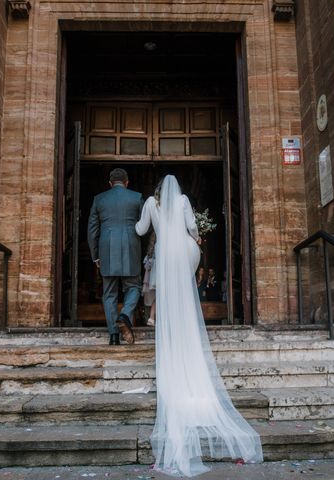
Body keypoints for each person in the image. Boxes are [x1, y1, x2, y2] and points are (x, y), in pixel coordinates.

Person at [135, 175, 263, 477]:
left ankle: (167, 331)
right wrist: (196, 237)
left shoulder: (151, 204)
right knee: (184, 291)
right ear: (177, 190)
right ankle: (186, 334)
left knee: (166, 294)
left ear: (156, 192)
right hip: (184, 250)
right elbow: (193, 227)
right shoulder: (181, 201)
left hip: (166, 253)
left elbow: (141, 230)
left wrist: (137, 223)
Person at [87, 168, 143, 346]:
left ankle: (113, 335)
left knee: (109, 293)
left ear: (110, 183)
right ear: (127, 182)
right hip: (130, 246)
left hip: (107, 249)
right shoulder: (136, 197)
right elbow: (144, 227)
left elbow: (92, 230)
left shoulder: (99, 199)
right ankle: (125, 315)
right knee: (133, 286)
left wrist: (95, 255)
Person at [142, 232, 157, 326]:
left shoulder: (149, 255)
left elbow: (146, 266)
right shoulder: (159, 251)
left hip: (150, 280)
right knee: (158, 298)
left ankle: (151, 318)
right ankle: (151, 318)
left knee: (154, 299)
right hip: (156, 279)